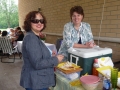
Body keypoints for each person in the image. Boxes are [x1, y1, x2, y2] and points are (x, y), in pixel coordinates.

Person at [20, 11, 64, 90]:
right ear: (29, 22)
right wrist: (56, 59)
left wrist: (49, 55)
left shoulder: (35, 36)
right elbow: (37, 63)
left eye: (41, 20)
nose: (39, 23)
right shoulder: (31, 38)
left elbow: (36, 55)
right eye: (35, 21)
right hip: (36, 82)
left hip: (37, 80)